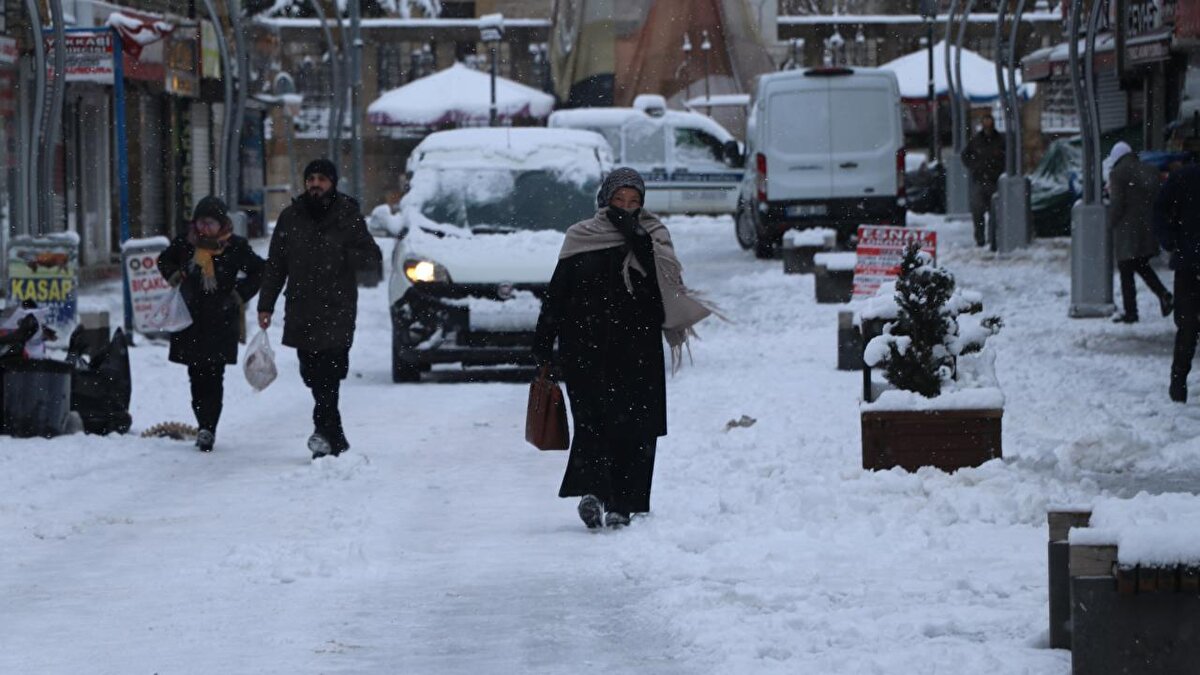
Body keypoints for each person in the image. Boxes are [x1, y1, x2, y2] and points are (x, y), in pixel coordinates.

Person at [533, 168, 715, 529]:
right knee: (593, 423)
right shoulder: (580, 237)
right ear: (605, 200)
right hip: (586, 348)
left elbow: (664, 292)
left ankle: (624, 503)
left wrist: (640, 243)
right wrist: (542, 344)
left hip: (637, 348)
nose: (626, 207)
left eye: (634, 202)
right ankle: (593, 494)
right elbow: (558, 293)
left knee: (636, 426)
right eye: (619, 200)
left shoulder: (654, 238)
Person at [257, 159, 382, 458]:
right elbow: (276, 266)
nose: (315, 184)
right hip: (302, 307)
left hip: (337, 308)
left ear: (333, 183)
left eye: (322, 179)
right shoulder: (290, 218)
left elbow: (372, 259)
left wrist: (345, 255)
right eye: (310, 178)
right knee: (311, 374)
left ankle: (322, 435)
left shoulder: (347, 216)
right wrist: (266, 305)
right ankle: (335, 435)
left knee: (329, 372)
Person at [157, 197, 265, 452]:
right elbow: (164, 260)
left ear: (222, 224)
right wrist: (175, 275)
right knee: (196, 376)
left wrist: (239, 295)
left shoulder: (235, 247)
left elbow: (260, 270)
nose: (204, 228)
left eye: (210, 223)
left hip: (221, 321)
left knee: (214, 377)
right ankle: (202, 421)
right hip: (190, 321)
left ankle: (208, 428)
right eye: (200, 222)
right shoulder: (185, 244)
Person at [1107, 142, 1173, 324]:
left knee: (1126, 270)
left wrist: (1109, 223)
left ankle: (1131, 313)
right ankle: (1164, 295)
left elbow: (1118, 204)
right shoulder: (1150, 169)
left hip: (1127, 230)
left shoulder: (1118, 174)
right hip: (1148, 228)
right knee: (1141, 264)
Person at [1155, 161, 1200, 402]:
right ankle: (1178, 383)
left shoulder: (1183, 178)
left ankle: (1178, 384)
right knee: (1188, 327)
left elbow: (1160, 211)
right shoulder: (1185, 178)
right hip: (1189, 260)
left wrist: (1170, 240)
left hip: (1188, 261)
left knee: (1187, 327)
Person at [962, 113, 1006, 247]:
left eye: (989, 120)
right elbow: (965, 155)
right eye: (985, 120)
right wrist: (974, 167)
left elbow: (1006, 156)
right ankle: (980, 239)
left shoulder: (1000, 140)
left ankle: (993, 239)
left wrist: (1000, 168)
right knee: (978, 211)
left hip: (995, 180)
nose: (987, 123)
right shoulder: (976, 140)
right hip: (980, 180)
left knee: (995, 212)